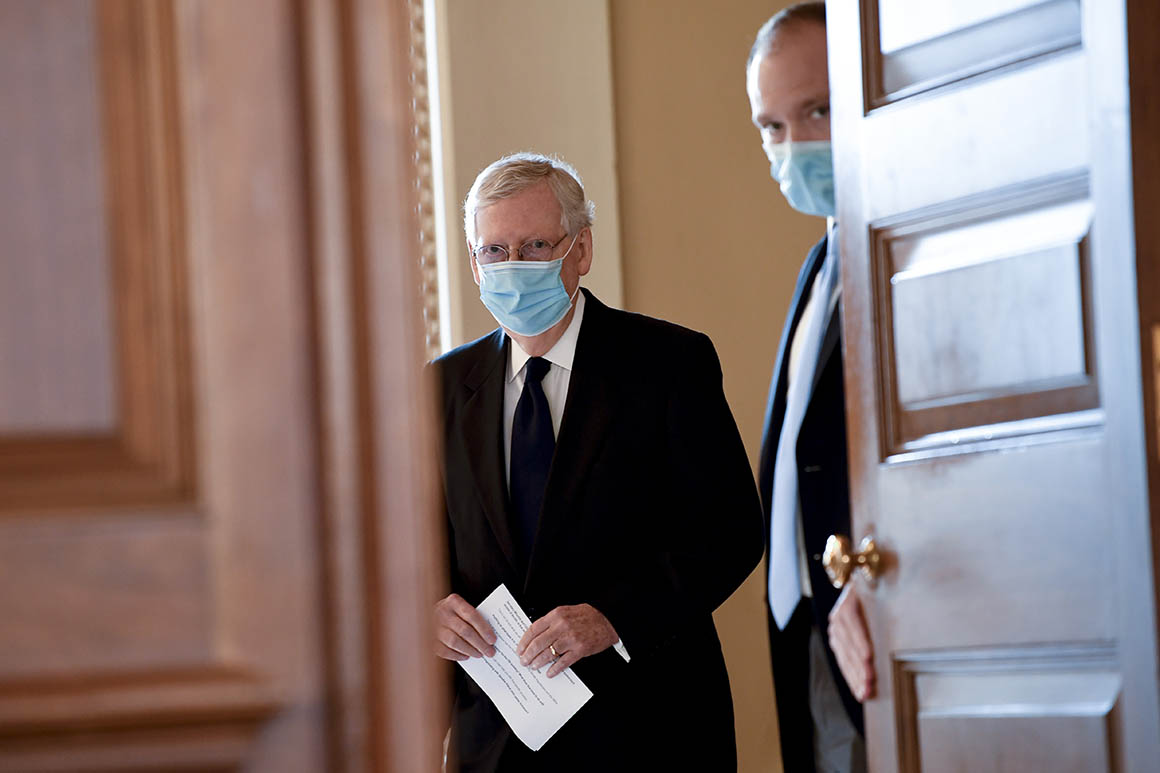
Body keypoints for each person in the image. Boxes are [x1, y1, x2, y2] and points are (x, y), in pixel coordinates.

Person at [431, 152, 763, 772]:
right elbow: (409, 548)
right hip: (497, 741)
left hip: (647, 728)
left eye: (535, 246)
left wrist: (613, 617)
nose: (513, 266)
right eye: (494, 251)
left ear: (580, 250)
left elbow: (729, 534)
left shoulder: (669, 364)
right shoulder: (440, 387)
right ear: (474, 263)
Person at [746, 4, 875, 772]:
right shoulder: (819, 264)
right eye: (772, 126)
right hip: (804, 626)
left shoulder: (904, 251)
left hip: (878, 615)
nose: (794, 144)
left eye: (817, 111)